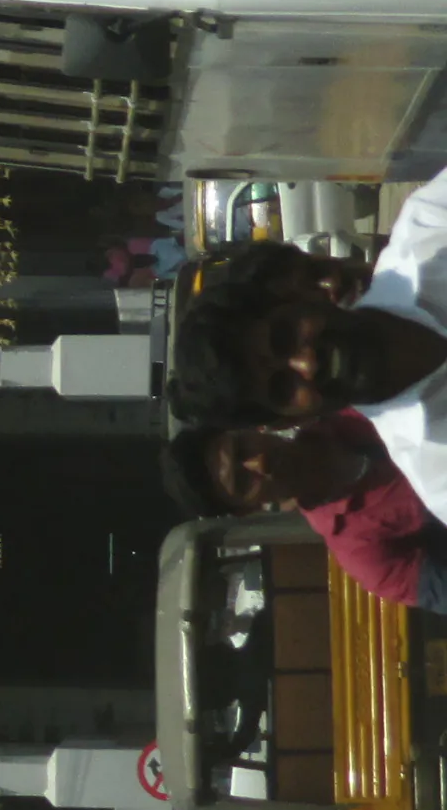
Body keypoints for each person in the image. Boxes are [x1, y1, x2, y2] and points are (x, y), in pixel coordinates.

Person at [168, 209, 447, 516]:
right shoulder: (438, 476)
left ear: (296, 296)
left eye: (284, 337)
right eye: (283, 387)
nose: (307, 364)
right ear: (286, 421)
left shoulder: (430, 228)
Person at [164, 408, 447, 610]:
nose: (259, 463)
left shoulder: (354, 405)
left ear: (251, 429)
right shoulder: (362, 552)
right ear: (246, 511)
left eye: (242, 448)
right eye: (243, 481)